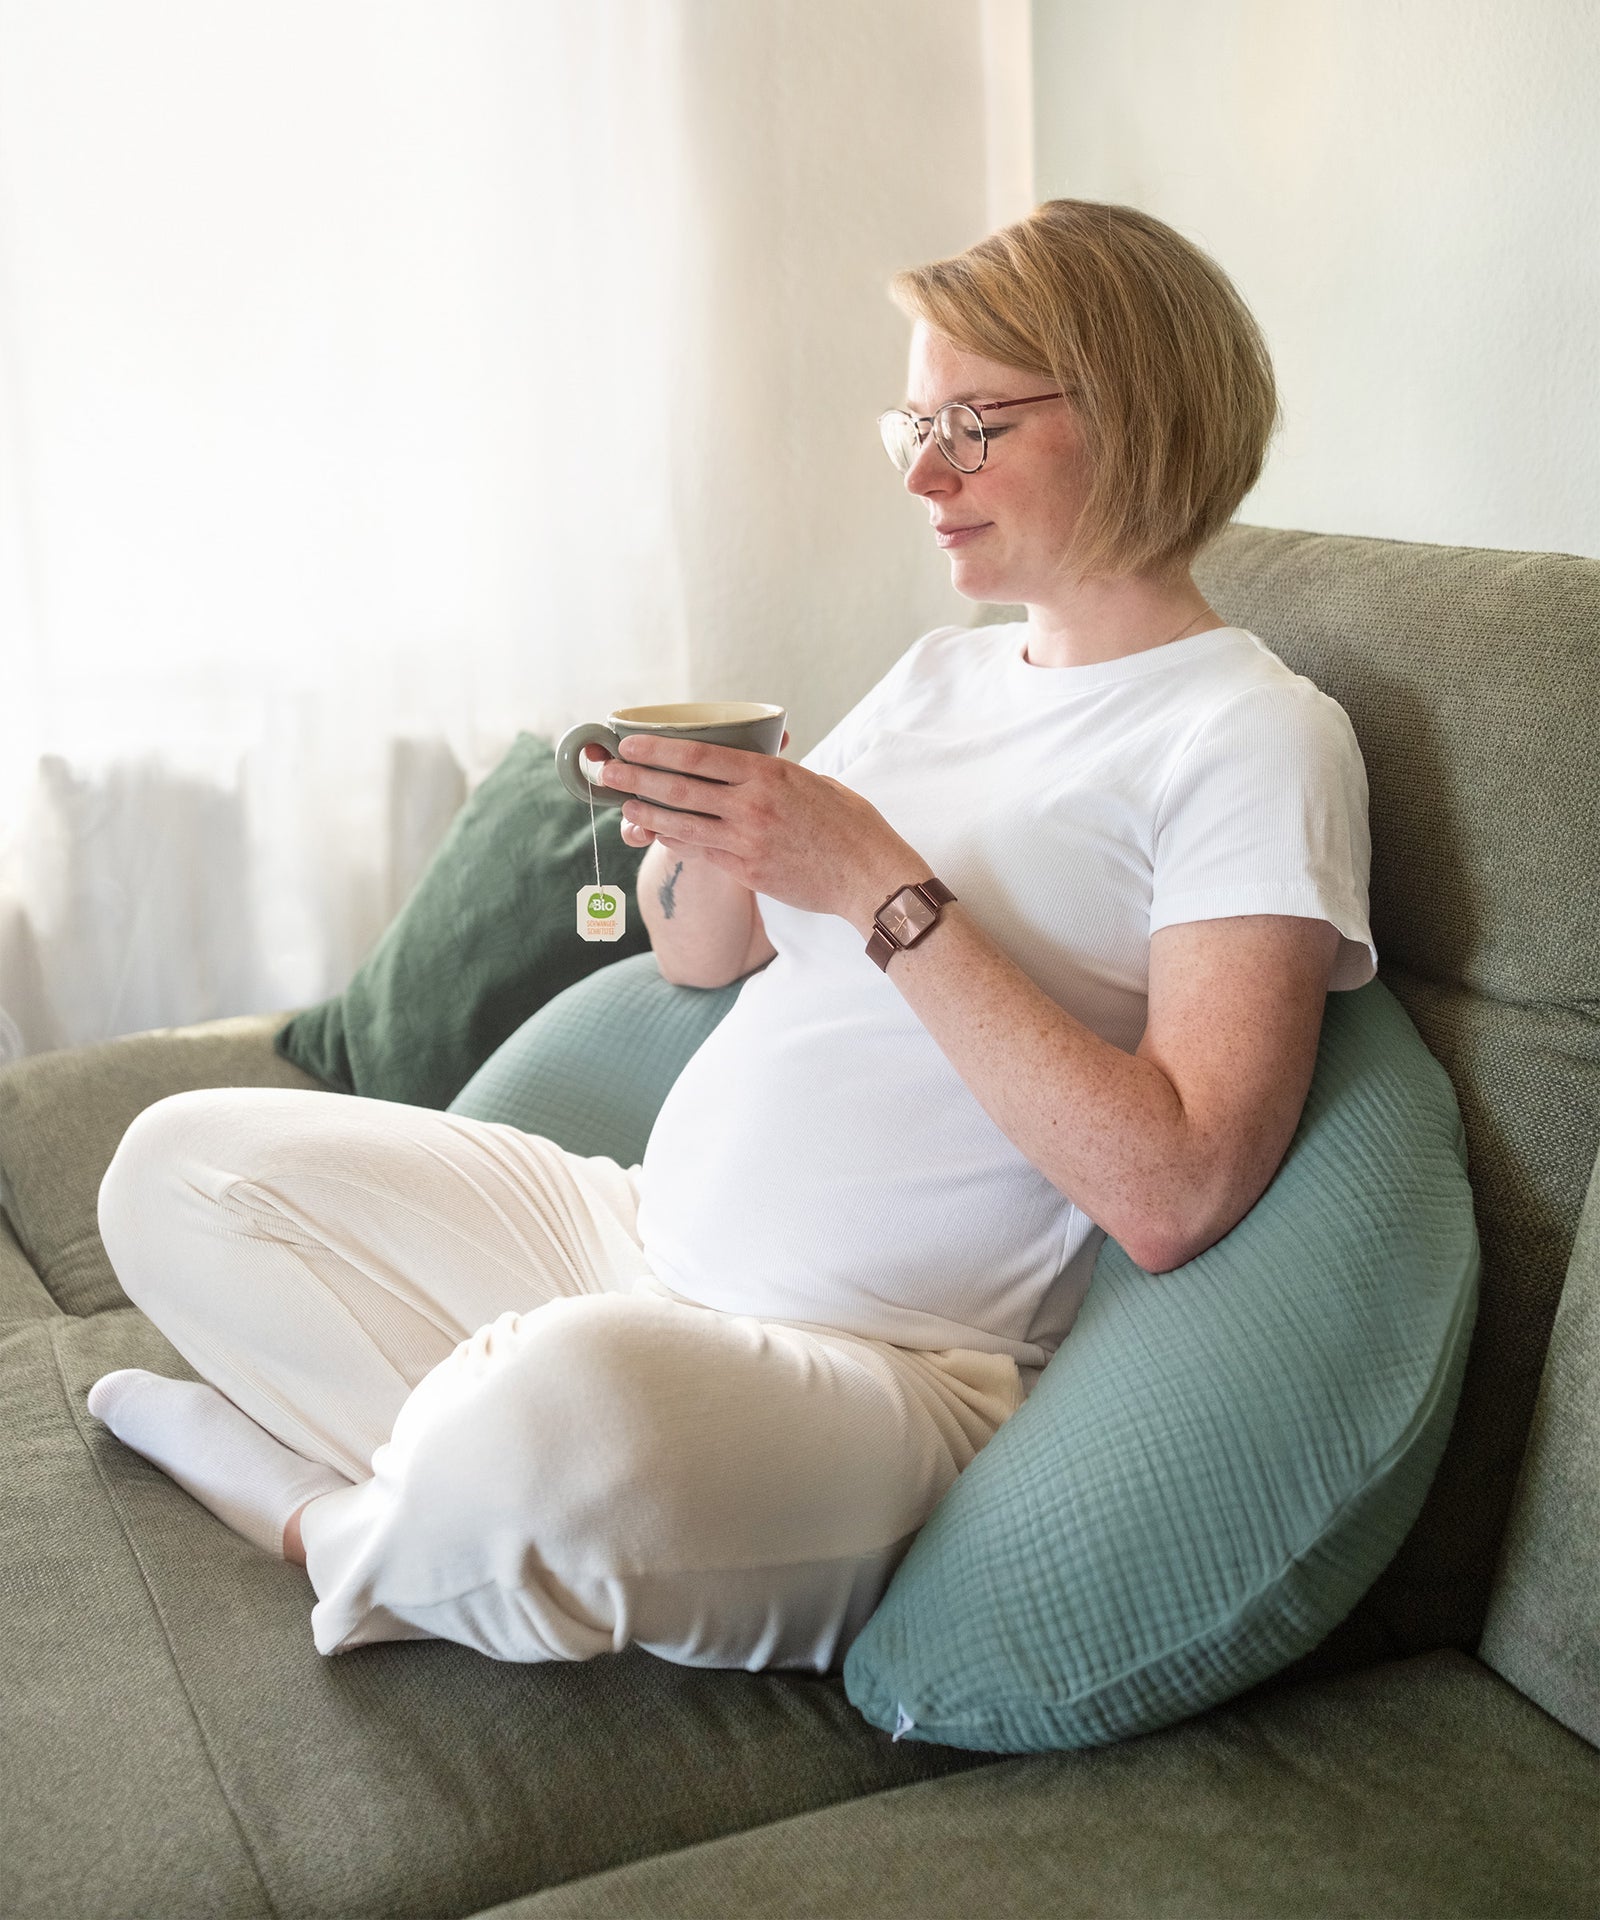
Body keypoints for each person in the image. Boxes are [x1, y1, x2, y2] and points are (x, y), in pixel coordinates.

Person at [86, 199, 1375, 1671]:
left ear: (1137, 411)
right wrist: (702, 841)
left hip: (877, 1367)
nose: (926, 475)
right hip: (628, 1235)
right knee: (176, 1169)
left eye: (974, 423)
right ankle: (465, 1497)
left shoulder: (1252, 734)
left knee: (562, 1415)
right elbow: (710, 961)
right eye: (912, 427)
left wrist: (881, 884)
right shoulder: (941, 677)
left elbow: (1178, 1182)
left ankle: (329, 1520)